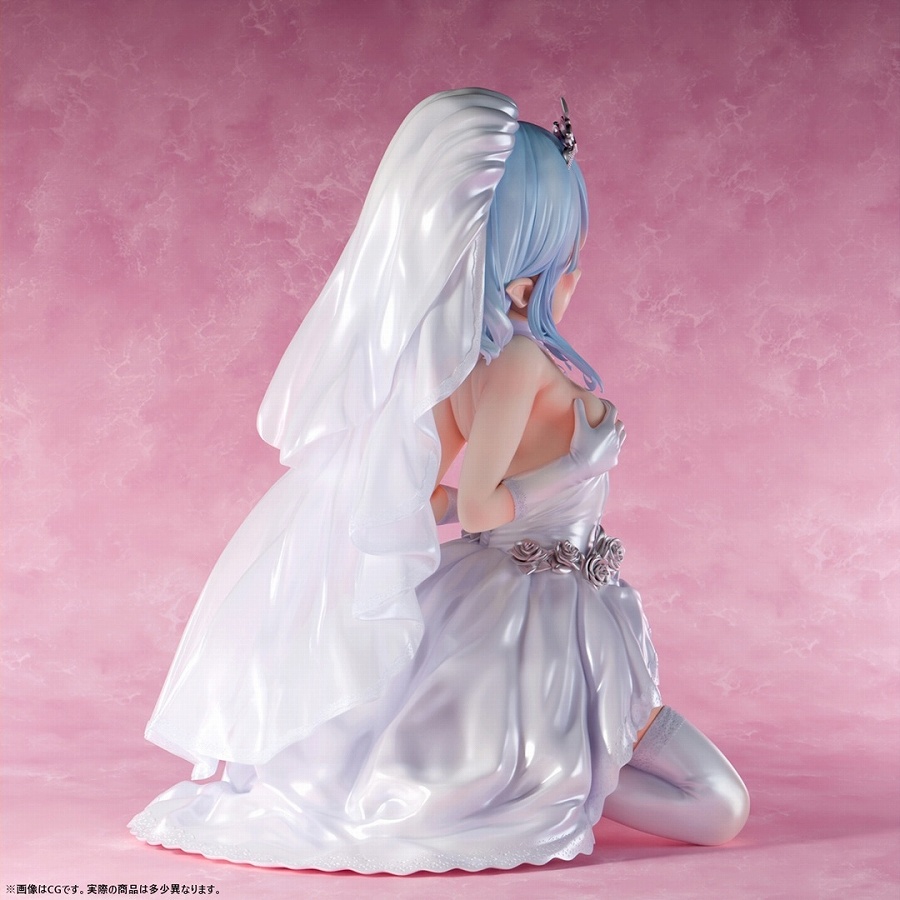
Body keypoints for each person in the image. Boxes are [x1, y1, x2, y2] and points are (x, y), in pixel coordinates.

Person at [129, 89, 749, 873]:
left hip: (550, 609)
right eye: (566, 258)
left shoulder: (469, 369)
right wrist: (578, 467)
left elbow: (432, 498)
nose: (576, 274)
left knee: (672, 786)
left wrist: (491, 507)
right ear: (525, 273)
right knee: (720, 807)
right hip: (538, 621)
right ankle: (569, 786)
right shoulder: (518, 361)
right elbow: (483, 504)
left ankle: (571, 779)